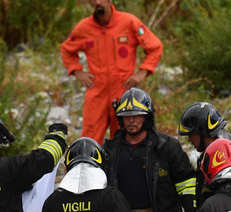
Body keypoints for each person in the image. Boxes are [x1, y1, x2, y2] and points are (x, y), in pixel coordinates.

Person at [103, 87, 196, 212]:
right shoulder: (109, 150)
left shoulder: (167, 147)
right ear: (120, 119)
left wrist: (192, 209)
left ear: (147, 116)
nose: (131, 120)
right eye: (126, 115)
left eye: (137, 115)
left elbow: (186, 180)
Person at [60, 0, 163, 143]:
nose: (98, 2)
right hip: (96, 93)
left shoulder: (128, 22)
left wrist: (143, 72)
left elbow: (155, 47)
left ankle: (120, 165)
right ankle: (88, 164)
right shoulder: (84, 28)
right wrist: (77, 71)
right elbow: (66, 49)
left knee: (125, 139)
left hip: (124, 93)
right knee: (88, 140)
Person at [177, 101, 231, 212]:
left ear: (202, 131)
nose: (189, 139)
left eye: (191, 134)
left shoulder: (230, 154)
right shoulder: (209, 153)